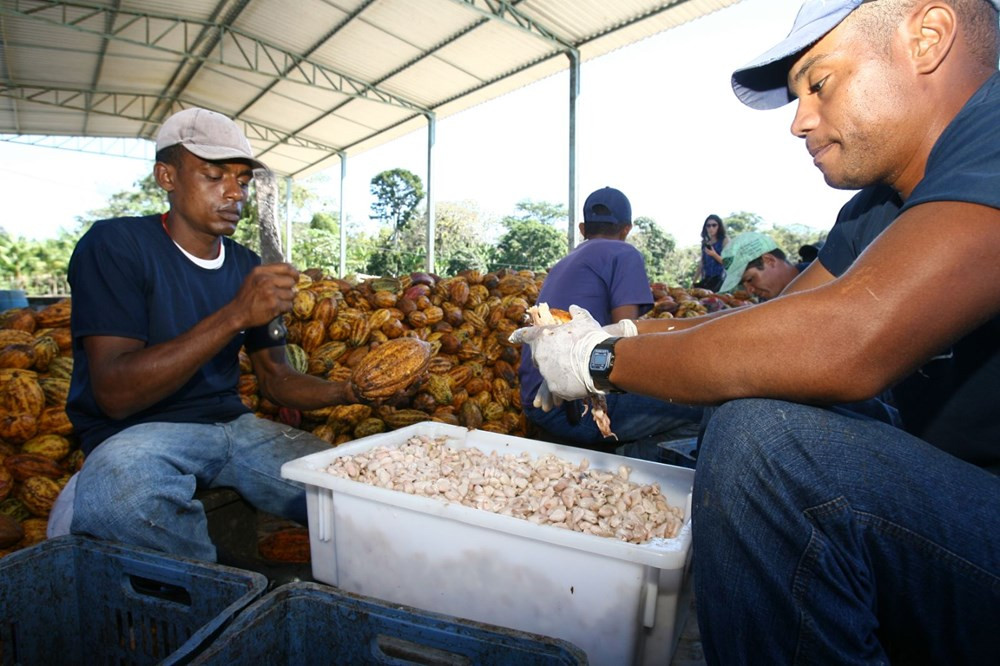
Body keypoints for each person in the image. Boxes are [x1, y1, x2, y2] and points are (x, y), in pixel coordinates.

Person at [513, 0, 1000, 662]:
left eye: (820, 83)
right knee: (753, 397)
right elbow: (767, 329)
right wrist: (623, 339)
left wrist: (598, 361)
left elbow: (839, 340)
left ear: (929, 37)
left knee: (766, 446)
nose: (799, 121)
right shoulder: (878, 207)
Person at [59, 107, 364, 562]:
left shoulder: (245, 264)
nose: (233, 193)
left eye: (242, 180)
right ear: (167, 176)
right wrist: (235, 313)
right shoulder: (116, 245)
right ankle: (222, 605)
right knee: (119, 498)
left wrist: (353, 389)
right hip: (138, 435)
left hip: (233, 429)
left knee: (360, 489)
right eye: (213, 175)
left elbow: (276, 379)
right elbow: (114, 394)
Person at [519, 186, 701, 457]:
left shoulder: (563, 262)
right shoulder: (623, 253)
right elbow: (627, 345)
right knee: (702, 409)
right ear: (627, 229)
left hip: (537, 401)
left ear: (582, 228)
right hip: (575, 405)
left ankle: (597, 446)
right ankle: (625, 460)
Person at [718, 231, 808, 301]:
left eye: (750, 280)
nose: (750, 291)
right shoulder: (768, 300)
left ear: (769, 260)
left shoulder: (820, 277)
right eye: (743, 285)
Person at [692, 214, 728, 292]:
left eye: (714, 225)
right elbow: (701, 263)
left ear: (719, 226)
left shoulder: (724, 240)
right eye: (708, 226)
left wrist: (714, 254)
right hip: (706, 279)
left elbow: (727, 263)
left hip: (720, 280)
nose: (711, 228)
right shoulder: (705, 243)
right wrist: (694, 281)